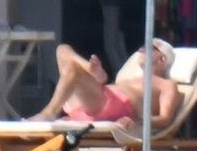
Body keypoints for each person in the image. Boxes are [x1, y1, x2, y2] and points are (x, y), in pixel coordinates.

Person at [28, 38, 181, 127]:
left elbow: (165, 119)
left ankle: (48, 113)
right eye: (142, 46)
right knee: (62, 49)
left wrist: (137, 121)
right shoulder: (128, 78)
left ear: (162, 59)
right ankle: (90, 69)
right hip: (91, 103)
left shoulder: (166, 85)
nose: (141, 49)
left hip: (111, 106)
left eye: (149, 47)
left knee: (72, 68)